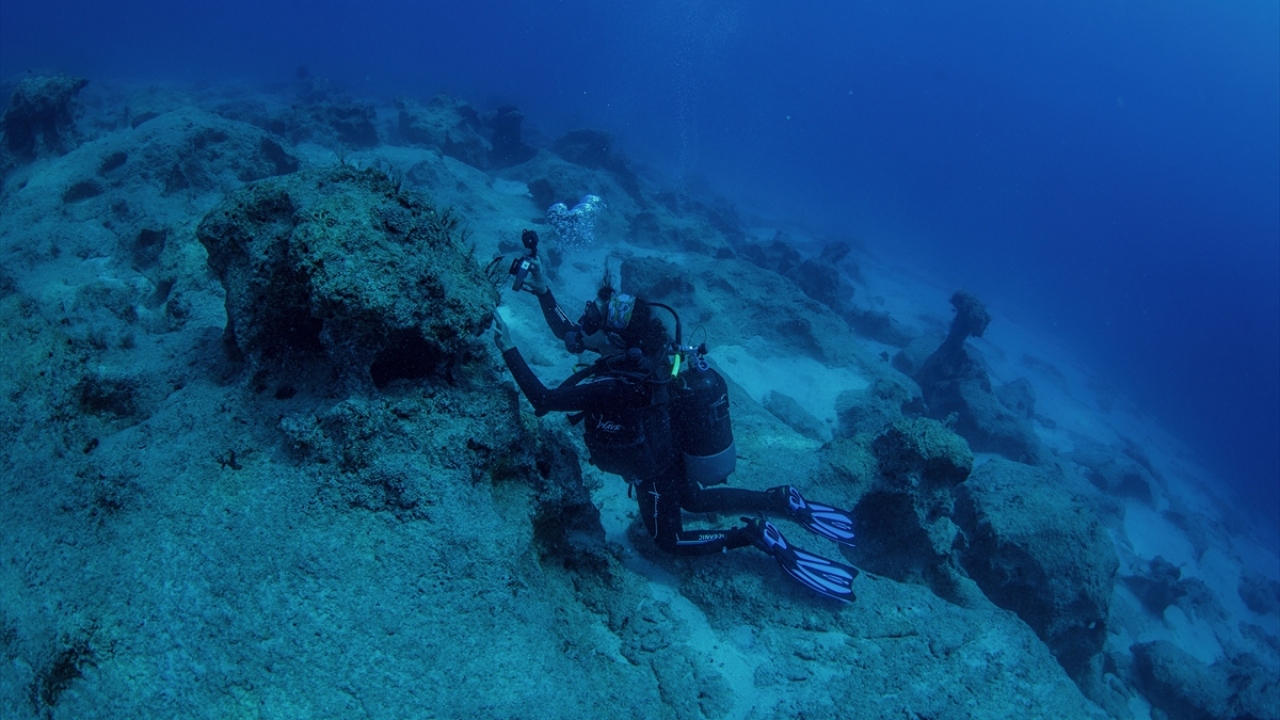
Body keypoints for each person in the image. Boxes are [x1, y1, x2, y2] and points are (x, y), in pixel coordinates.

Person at [492, 241, 859, 602]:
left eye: (593, 319)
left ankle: (751, 536)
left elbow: (543, 399)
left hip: (653, 472)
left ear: (613, 339)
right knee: (693, 499)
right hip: (672, 449)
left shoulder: (616, 385)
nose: (584, 321)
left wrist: (508, 346)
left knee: (669, 541)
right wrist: (543, 290)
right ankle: (778, 499)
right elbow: (570, 332)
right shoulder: (645, 356)